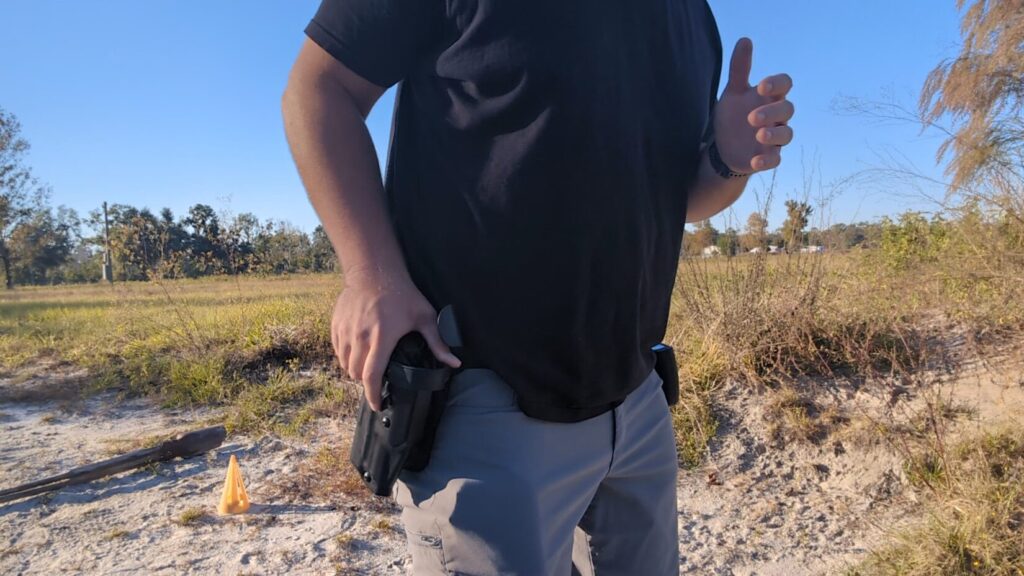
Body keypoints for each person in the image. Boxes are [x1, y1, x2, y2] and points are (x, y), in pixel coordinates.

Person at [282, 0, 794, 573]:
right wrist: (372, 277)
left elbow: (682, 199)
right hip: (481, 395)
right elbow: (319, 88)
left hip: (637, 399)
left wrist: (727, 162)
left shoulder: (691, 18)